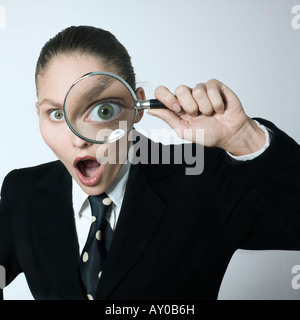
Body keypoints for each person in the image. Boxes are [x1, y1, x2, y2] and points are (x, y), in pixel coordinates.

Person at [0, 25, 300, 300]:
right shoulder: (22, 191)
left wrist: (245, 138)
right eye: (56, 114)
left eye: (103, 111)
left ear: (136, 106)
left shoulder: (202, 180)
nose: (79, 139)